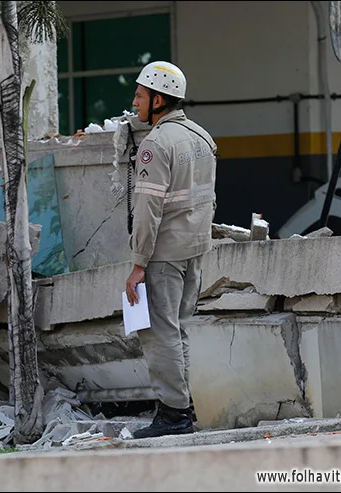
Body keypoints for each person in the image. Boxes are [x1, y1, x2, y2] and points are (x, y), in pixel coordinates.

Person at [125, 61, 218, 439]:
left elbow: (147, 210)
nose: (134, 103)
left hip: (163, 256)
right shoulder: (202, 137)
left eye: (140, 96)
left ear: (158, 100)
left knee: (160, 333)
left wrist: (137, 264)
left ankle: (173, 415)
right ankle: (183, 407)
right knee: (178, 331)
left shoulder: (157, 144)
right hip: (194, 250)